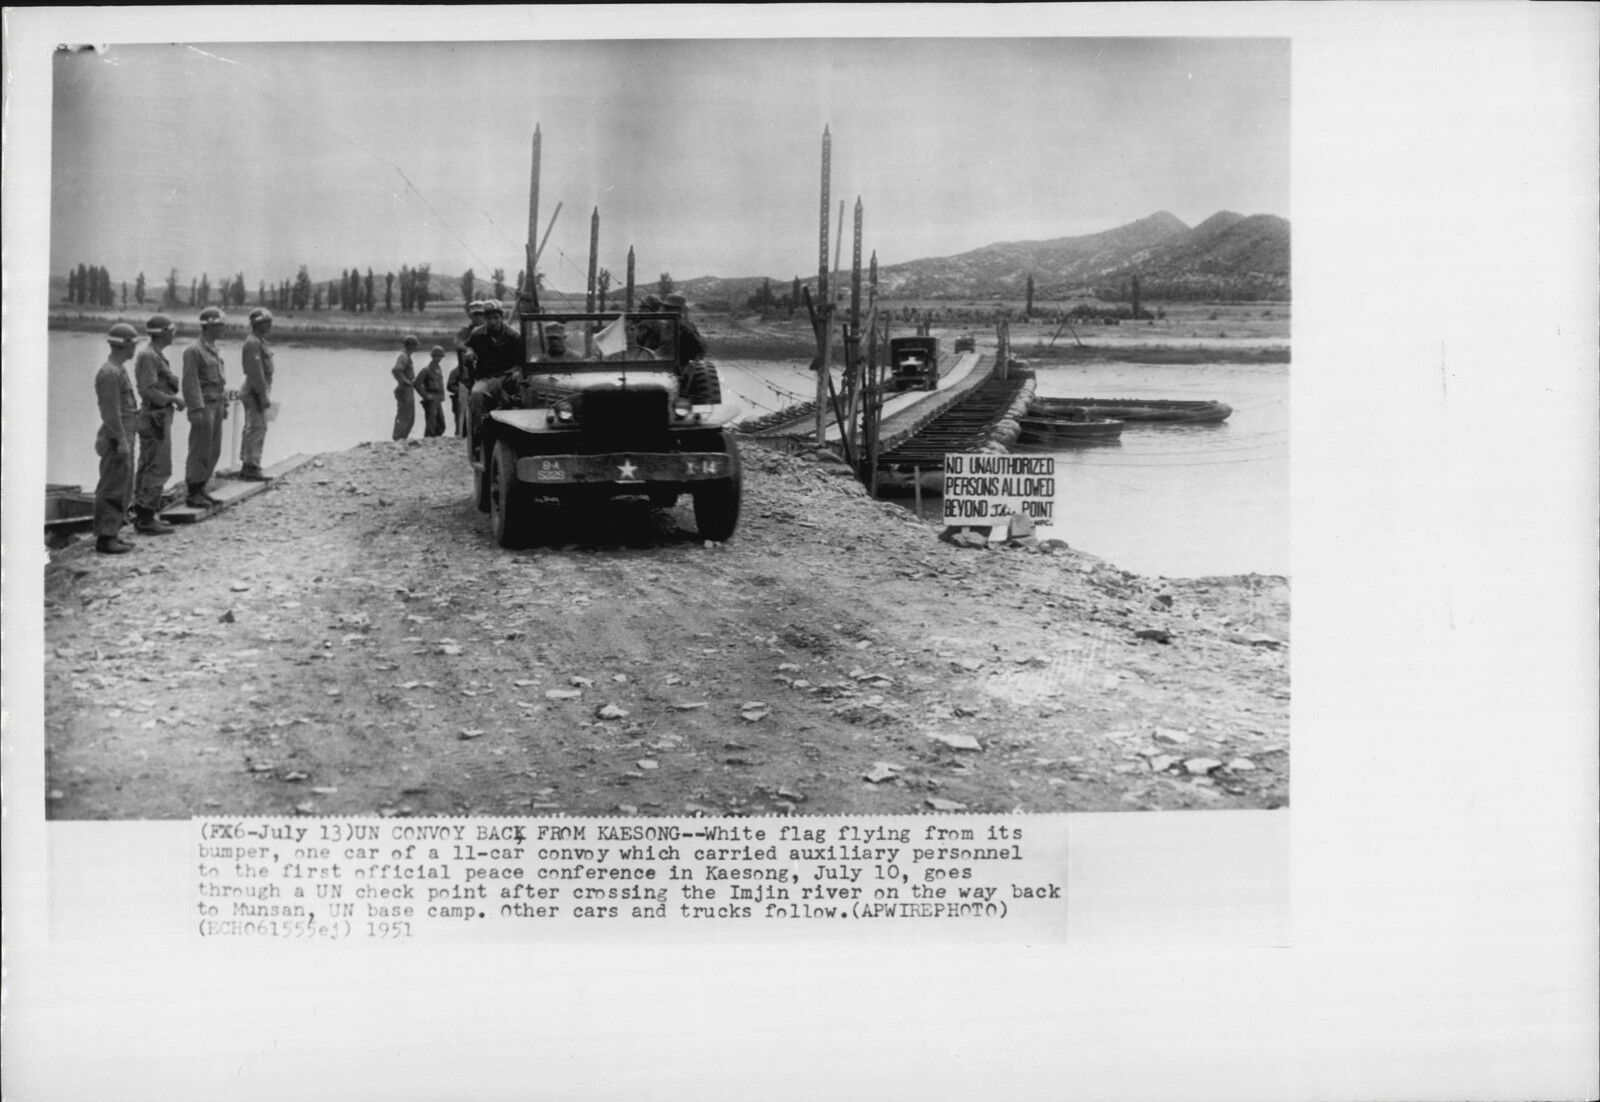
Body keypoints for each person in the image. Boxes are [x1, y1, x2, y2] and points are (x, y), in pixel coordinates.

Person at [130, 314, 184, 535]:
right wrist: (172, 399)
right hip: (155, 417)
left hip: (157, 416)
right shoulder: (149, 357)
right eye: (171, 330)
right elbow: (148, 390)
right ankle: (145, 518)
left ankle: (144, 514)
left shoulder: (154, 355)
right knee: (157, 466)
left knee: (149, 463)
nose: (174, 333)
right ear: (162, 333)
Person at [93, 323, 142, 554]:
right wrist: (121, 440)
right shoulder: (109, 373)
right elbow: (110, 412)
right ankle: (105, 539)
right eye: (134, 343)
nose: (136, 348)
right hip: (116, 440)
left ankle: (113, 533)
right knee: (112, 487)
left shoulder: (119, 369)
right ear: (125, 345)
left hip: (125, 437)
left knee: (123, 486)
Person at [181, 306, 229, 508]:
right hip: (204, 406)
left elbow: (219, 380)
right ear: (208, 326)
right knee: (200, 449)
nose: (223, 328)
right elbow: (190, 382)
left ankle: (202, 487)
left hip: (216, 404)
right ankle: (193, 491)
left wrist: (224, 403)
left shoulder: (215, 350)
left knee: (214, 449)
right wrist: (195, 409)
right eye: (219, 325)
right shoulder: (193, 351)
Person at [464, 300, 527, 451]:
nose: (493, 321)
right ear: (485, 318)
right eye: (489, 318)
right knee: (476, 395)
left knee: (523, 396)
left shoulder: (514, 336)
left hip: (507, 377)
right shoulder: (477, 334)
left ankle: (521, 435)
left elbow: (520, 363)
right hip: (485, 377)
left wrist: (513, 373)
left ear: (501, 317)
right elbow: (469, 346)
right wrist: (470, 353)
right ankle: (479, 439)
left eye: (496, 317)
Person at [239, 307, 274, 480]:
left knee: (254, 427)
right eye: (267, 322)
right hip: (255, 392)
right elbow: (255, 372)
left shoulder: (258, 341)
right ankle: (251, 467)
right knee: (257, 427)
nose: (270, 325)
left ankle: (249, 463)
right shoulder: (253, 342)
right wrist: (263, 395)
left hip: (256, 391)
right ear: (259, 324)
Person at [392, 334, 420, 440]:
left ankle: (402, 437)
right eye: (415, 344)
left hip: (407, 388)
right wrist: (405, 381)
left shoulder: (407, 356)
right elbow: (396, 370)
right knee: (404, 414)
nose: (416, 347)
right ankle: (398, 437)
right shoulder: (403, 356)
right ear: (411, 345)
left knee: (409, 416)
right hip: (404, 389)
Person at [416, 345, 447, 438]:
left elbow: (441, 384)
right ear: (432, 356)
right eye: (436, 356)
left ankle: (434, 439)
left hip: (438, 399)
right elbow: (417, 384)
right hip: (431, 399)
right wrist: (426, 396)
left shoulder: (439, 369)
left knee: (442, 425)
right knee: (431, 423)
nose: (439, 358)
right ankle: (428, 440)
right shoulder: (426, 370)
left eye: (440, 356)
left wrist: (442, 396)